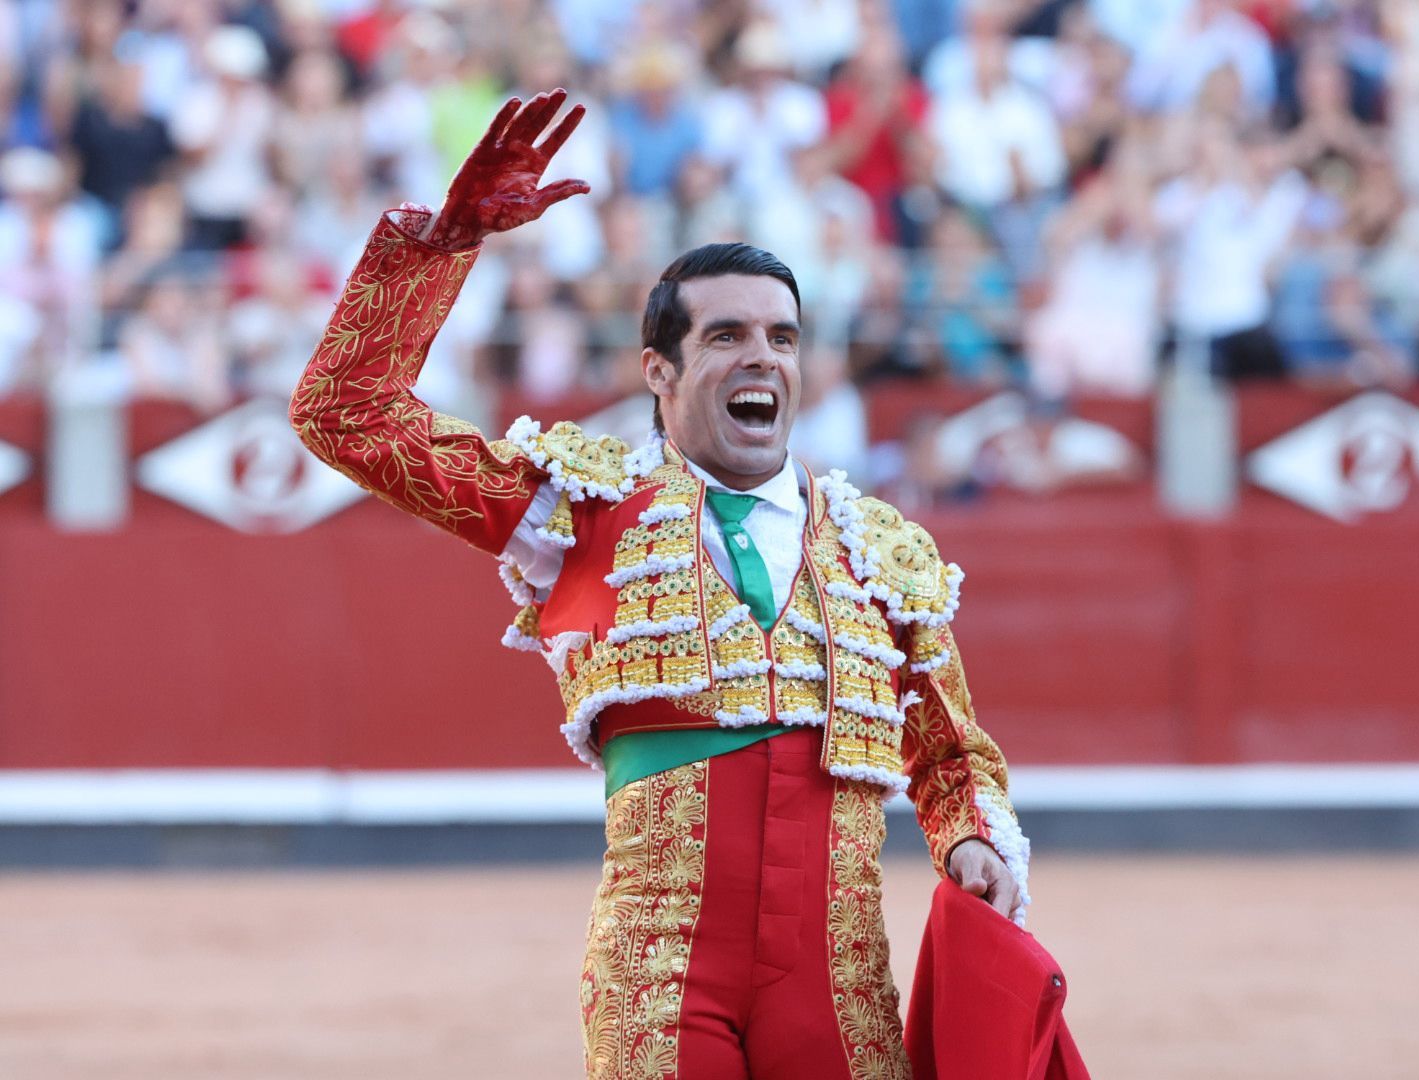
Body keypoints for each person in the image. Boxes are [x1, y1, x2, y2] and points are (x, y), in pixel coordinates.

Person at [289, 91, 1028, 1079]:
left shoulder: (876, 546)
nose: (760, 356)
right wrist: (446, 249)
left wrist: (971, 840)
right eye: (726, 336)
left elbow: (950, 751)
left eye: (781, 337)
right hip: (662, 964)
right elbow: (346, 416)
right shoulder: (582, 507)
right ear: (659, 370)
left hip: (839, 967)